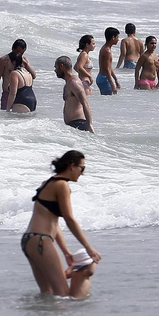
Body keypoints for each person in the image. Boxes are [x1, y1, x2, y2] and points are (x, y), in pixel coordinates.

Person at [20, 150, 101, 299]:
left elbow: (53, 223)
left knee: (48, 293)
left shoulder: (48, 183)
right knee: (62, 295)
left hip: (29, 240)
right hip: (41, 240)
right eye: (82, 168)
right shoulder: (62, 185)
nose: (82, 173)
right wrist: (89, 248)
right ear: (71, 166)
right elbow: (69, 219)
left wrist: (66, 252)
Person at [0, 39, 36, 111]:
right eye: (18, 52)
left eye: (22, 53)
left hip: (20, 94)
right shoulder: (4, 60)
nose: (19, 54)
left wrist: (26, 64)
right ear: (13, 49)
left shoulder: (24, 60)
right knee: (8, 119)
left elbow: (33, 76)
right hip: (7, 94)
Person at [54, 56, 93, 133]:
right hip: (73, 125)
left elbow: (85, 103)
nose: (55, 70)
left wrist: (90, 125)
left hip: (79, 125)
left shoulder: (74, 83)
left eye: (56, 67)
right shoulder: (68, 83)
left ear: (61, 66)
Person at [96, 28, 121, 95]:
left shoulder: (106, 48)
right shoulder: (107, 51)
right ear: (113, 37)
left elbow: (109, 67)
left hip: (102, 77)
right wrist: (112, 85)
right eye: (117, 37)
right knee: (108, 101)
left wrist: (115, 79)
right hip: (104, 78)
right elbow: (107, 69)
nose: (118, 40)